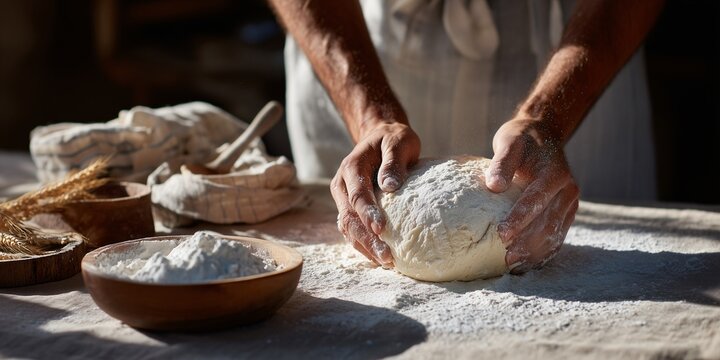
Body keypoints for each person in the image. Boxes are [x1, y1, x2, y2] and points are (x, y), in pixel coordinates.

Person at [268, 0, 665, 273]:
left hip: (575, 42)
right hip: (369, 44)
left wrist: (548, 117)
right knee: (374, 211)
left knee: (584, 236)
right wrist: (372, 117)